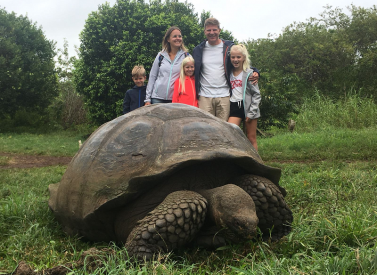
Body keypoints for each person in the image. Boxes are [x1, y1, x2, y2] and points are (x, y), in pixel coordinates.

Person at [192, 18, 259, 121]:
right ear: (205, 31)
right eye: (209, 30)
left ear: (219, 30)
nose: (212, 33)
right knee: (205, 129)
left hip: (224, 96)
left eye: (214, 30)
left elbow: (240, 60)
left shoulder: (228, 47)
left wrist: (255, 71)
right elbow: (190, 68)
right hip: (205, 96)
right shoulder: (198, 50)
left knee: (223, 131)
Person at [228, 44, 261, 151]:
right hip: (234, 106)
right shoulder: (228, 73)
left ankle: (256, 164)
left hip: (249, 107)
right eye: (233, 57)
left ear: (244, 58)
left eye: (238, 57)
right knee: (230, 134)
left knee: (251, 138)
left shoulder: (250, 73)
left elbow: (256, 95)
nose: (235, 59)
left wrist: (251, 112)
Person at [145, 26, 190, 105]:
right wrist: (147, 99)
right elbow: (152, 76)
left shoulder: (186, 56)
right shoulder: (160, 55)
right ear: (168, 39)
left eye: (179, 36)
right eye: (174, 36)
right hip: (157, 98)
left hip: (175, 98)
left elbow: (192, 77)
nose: (178, 38)